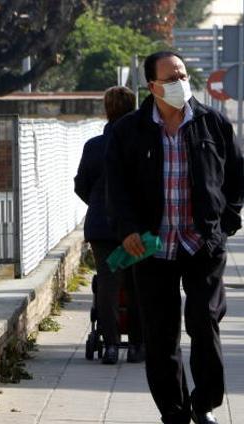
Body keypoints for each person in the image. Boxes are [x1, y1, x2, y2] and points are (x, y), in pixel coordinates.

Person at [105, 51, 244, 424]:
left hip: (201, 244)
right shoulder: (129, 131)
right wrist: (129, 229)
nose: (180, 81)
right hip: (151, 248)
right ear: (152, 86)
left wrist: (224, 226)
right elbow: (115, 188)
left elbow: (235, 179)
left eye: (183, 74)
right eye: (171, 77)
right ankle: (174, 416)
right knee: (161, 334)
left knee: (204, 321)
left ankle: (206, 406)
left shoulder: (212, 123)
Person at [74, 86, 144, 365]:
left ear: (107, 109)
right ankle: (138, 344)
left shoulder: (94, 146)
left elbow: (82, 185)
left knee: (108, 283)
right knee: (137, 283)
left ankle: (112, 344)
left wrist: (98, 203)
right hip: (137, 227)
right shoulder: (142, 144)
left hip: (102, 227)